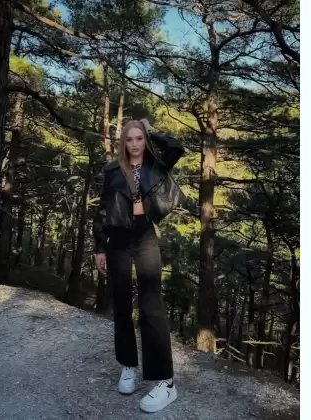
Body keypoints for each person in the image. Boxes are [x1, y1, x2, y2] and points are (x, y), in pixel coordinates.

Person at [93, 118, 185, 413]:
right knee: (121, 305)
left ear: (145, 140)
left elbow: (176, 146)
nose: (134, 144)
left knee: (151, 307)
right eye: (130, 139)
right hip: (117, 240)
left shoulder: (156, 165)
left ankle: (166, 382)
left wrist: (151, 130)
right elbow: (103, 209)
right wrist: (99, 247)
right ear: (123, 142)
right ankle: (128, 366)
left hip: (145, 237)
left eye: (139, 138)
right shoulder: (112, 170)